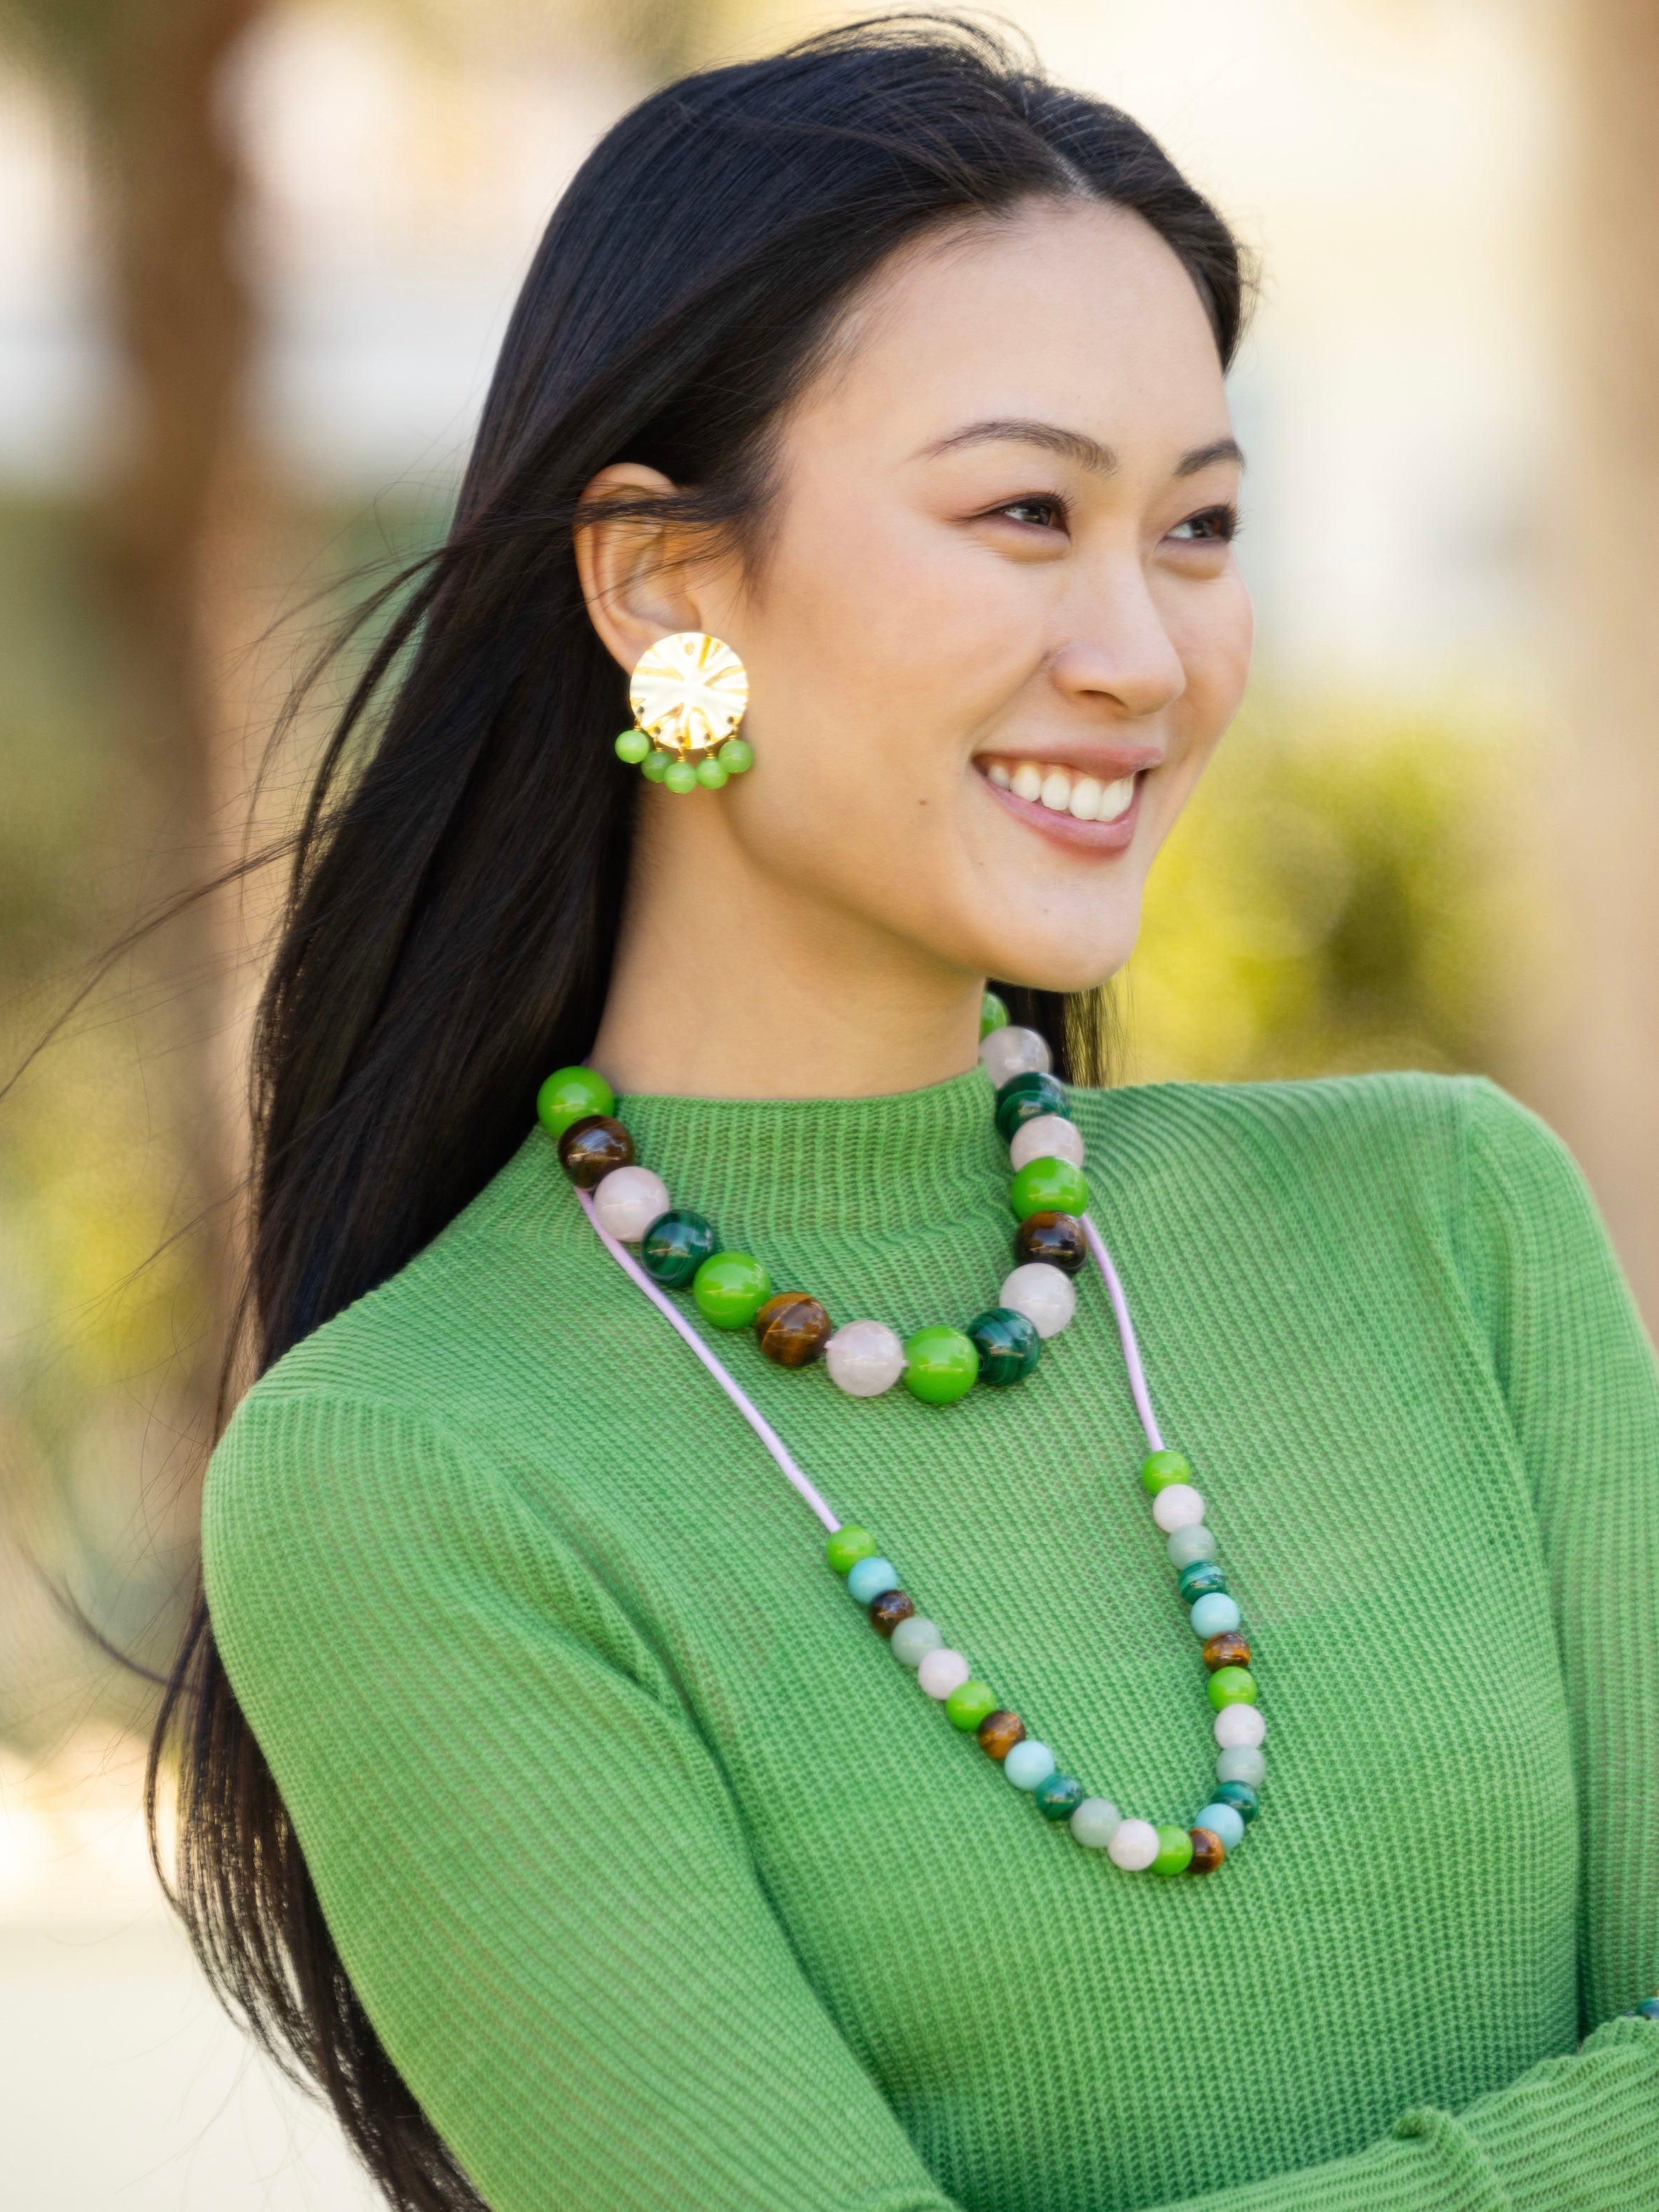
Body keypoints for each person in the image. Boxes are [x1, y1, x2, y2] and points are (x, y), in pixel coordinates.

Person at [156, 19, 1659, 2211]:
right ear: (661, 583)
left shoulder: (1447, 1220)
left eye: (1199, 526)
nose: (1141, 652)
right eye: (1024, 512)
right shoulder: (415, 1469)